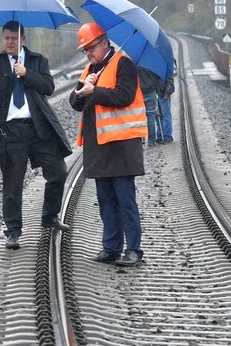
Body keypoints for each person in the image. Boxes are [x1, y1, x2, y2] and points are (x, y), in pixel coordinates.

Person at [0, 20, 72, 250]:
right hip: (10, 132)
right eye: (6, 38)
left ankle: (49, 217)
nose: (9, 42)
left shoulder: (38, 61)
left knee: (58, 172)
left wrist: (27, 74)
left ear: (23, 39)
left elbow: (48, 87)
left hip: (38, 129)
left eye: (13, 38)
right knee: (12, 184)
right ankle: (13, 231)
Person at [68, 22, 148, 267]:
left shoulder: (123, 64)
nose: (88, 53)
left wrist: (95, 90)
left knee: (125, 200)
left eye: (91, 47)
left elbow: (124, 96)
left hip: (122, 146)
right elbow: (75, 101)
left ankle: (134, 249)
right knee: (105, 200)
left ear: (104, 43)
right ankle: (111, 247)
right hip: (100, 147)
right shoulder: (91, 69)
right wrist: (82, 91)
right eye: (85, 50)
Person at [136, 66, 163, 146]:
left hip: (139, 92)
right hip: (151, 92)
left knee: (139, 116)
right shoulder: (152, 64)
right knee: (150, 116)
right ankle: (151, 141)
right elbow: (157, 78)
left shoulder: (136, 64)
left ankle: (141, 139)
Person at [158, 63, 175, 143]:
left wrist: (166, 94)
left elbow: (170, 81)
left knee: (165, 115)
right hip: (157, 93)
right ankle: (160, 135)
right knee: (158, 116)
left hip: (163, 94)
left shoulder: (166, 64)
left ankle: (167, 136)